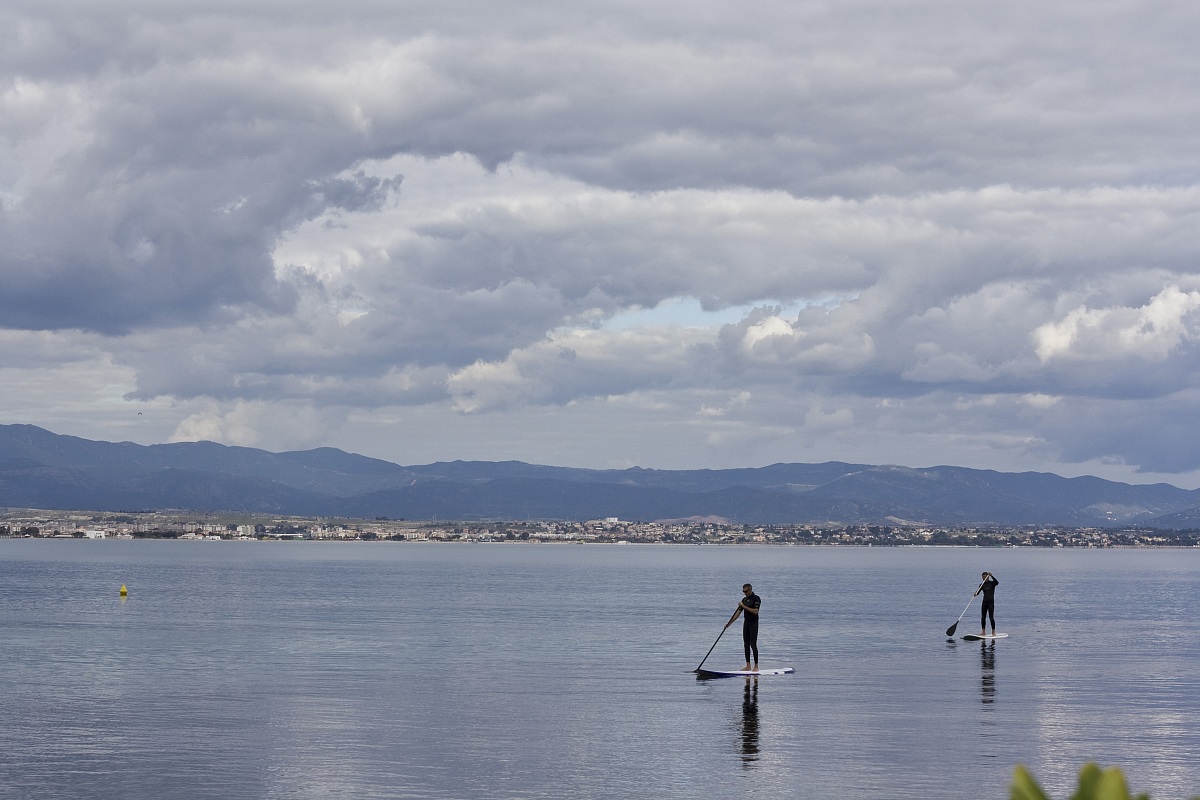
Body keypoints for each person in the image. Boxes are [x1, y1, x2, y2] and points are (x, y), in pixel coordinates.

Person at [725, 583, 761, 671]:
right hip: (746, 623)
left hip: (754, 623)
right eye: (743, 591)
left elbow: (755, 611)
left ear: (750, 590)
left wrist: (743, 606)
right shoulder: (744, 600)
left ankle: (756, 666)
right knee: (746, 644)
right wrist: (729, 624)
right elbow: (737, 613)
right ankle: (748, 665)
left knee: (753, 644)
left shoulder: (756, 598)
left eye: (746, 591)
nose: (744, 593)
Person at [975, 571, 999, 636]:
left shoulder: (992, 583)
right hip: (984, 603)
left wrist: (992, 576)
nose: (983, 578)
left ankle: (993, 632)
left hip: (990, 603)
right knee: (983, 618)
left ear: (987, 577)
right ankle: (983, 632)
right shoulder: (982, 585)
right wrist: (975, 593)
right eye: (982, 577)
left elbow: (997, 582)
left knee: (991, 618)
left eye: (984, 577)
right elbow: (978, 592)